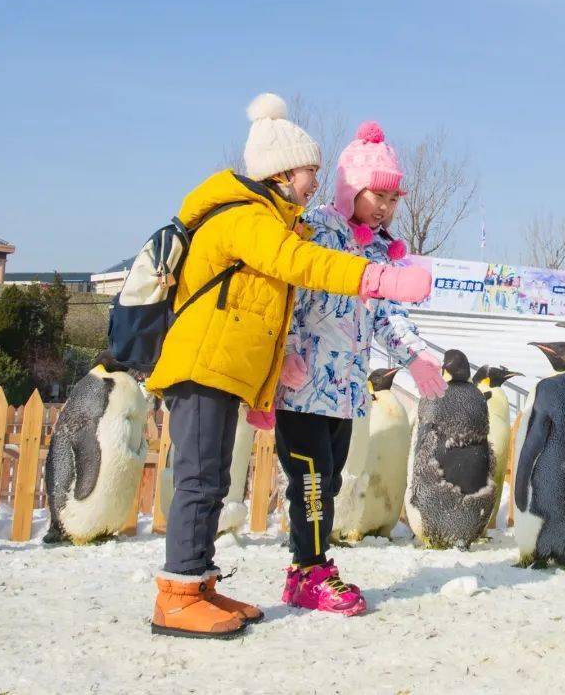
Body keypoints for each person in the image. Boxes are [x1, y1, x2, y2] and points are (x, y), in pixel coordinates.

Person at [143, 95, 432, 639]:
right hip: (223, 368)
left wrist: (416, 356)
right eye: (309, 172)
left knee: (238, 478)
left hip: (308, 381)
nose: (314, 184)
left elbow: (273, 304)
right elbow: (297, 268)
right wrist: (379, 280)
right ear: (281, 170)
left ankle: (198, 584)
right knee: (209, 479)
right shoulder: (256, 220)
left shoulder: (279, 221)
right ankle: (184, 593)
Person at [275, 121, 446, 616]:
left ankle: (303, 570)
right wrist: (285, 349)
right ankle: (310, 570)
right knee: (309, 480)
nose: (386, 208)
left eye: (394, 200)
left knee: (327, 483)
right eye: (378, 196)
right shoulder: (317, 231)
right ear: (352, 189)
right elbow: (286, 292)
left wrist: (414, 354)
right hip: (302, 384)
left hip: (346, 389)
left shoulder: (377, 251)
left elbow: (390, 316)